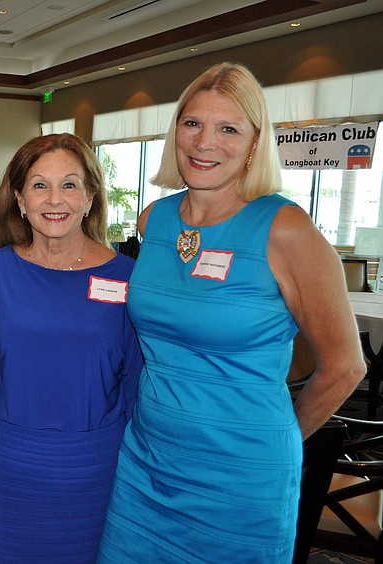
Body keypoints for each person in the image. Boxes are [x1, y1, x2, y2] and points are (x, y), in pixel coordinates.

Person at [97, 62, 366, 563]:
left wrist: (275, 439)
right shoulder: (154, 219)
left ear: (254, 142)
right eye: (192, 123)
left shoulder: (286, 230)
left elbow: (346, 366)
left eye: (228, 129)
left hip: (241, 478)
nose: (204, 143)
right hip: (146, 461)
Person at [0, 133, 143, 563]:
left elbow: (135, 378)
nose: (54, 199)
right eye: (40, 185)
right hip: (9, 462)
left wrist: (138, 464)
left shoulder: (128, 276)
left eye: (70, 184)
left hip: (98, 462)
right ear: (20, 198)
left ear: (91, 197)